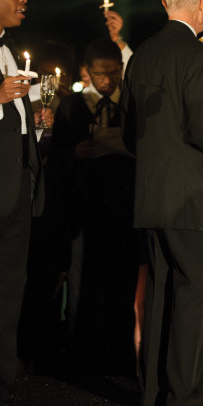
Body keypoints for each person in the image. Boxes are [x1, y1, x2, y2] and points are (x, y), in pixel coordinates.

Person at [121, 0, 203, 406]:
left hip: (152, 194)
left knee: (161, 292)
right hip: (194, 197)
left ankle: (154, 394)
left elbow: (131, 131)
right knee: (197, 294)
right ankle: (186, 398)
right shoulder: (199, 54)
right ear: (201, 2)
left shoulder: (143, 55)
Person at [49, 37, 137, 375]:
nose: (108, 81)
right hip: (85, 210)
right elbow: (56, 156)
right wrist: (75, 154)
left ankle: (121, 361)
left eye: (114, 74)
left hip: (123, 208)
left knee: (122, 290)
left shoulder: (129, 106)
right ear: (88, 72)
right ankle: (81, 360)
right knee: (85, 289)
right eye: (101, 75)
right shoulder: (73, 106)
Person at [0, 0, 44, 406]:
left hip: (18, 185)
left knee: (7, 289)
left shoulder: (10, 51)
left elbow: (15, 124)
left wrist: (35, 125)